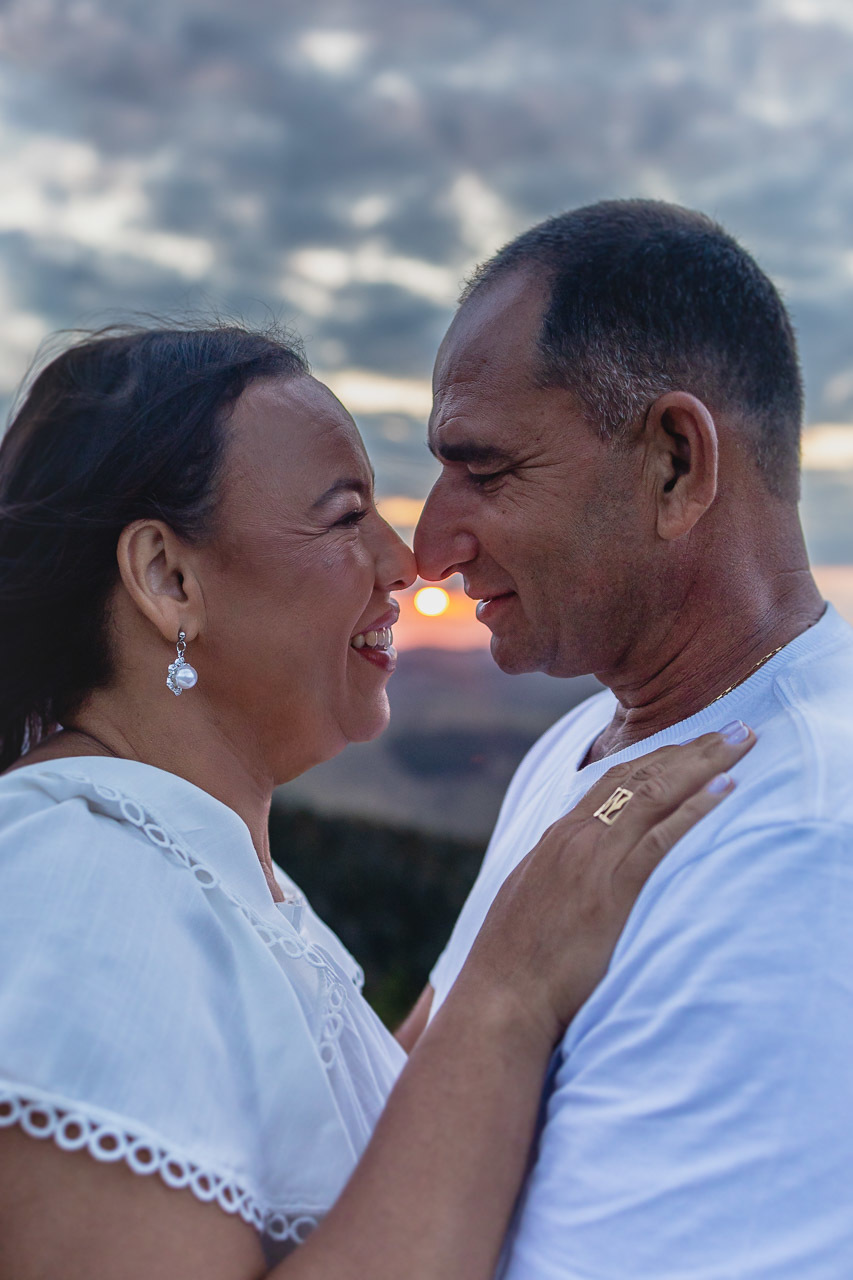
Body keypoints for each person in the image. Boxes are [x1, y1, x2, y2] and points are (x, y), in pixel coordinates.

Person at [0, 325, 753, 1280]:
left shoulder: (207, 884)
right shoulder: (73, 881)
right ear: (168, 578)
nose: (405, 562)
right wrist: (504, 999)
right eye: (343, 514)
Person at [411, 199, 853, 1279]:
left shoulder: (801, 849)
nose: (429, 543)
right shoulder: (579, 746)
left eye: (488, 467)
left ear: (672, 464)